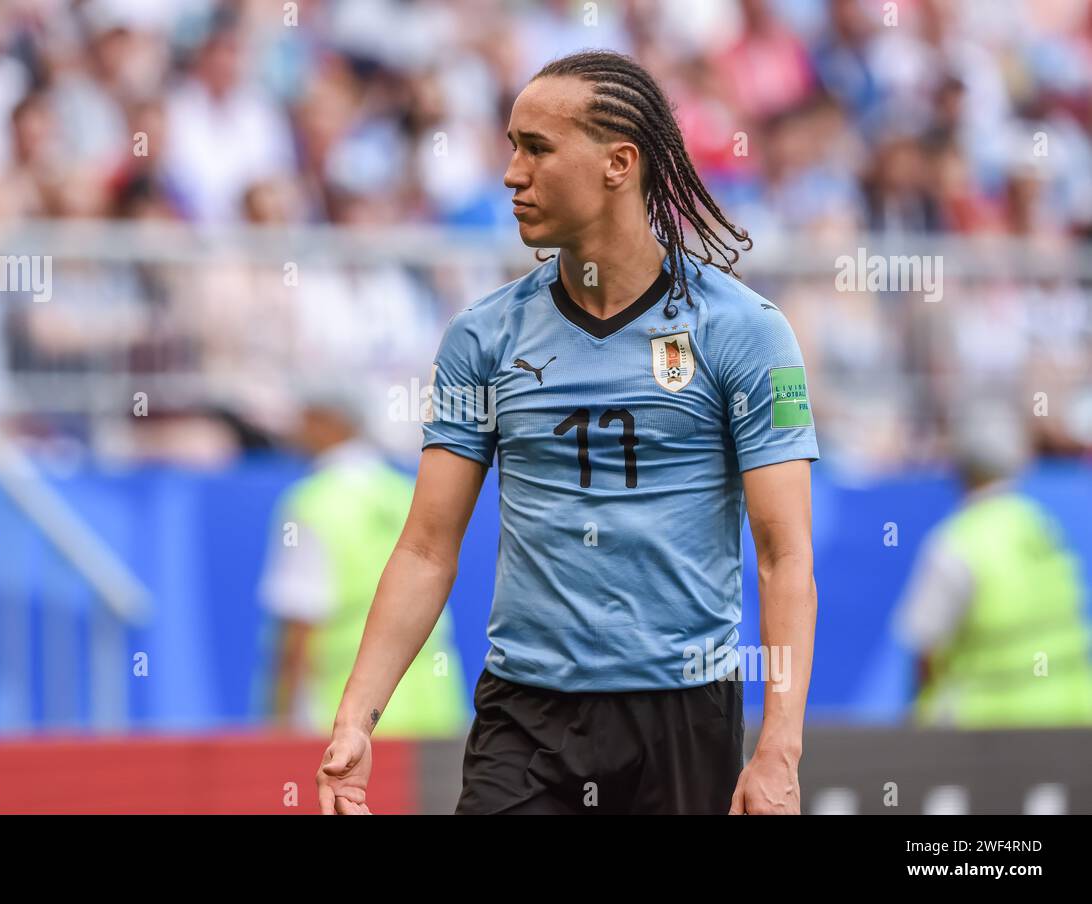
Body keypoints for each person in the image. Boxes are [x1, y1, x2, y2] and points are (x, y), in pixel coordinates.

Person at [315, 50, 820, 815]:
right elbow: (426, 546)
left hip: (682, 715)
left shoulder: (744, 333)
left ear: (619, 163)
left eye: (537, 148)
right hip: (527, 717)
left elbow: (785, 556)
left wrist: (779, 749)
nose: (512, 173)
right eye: (512, 146)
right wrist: (355, 717)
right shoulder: (481, 339)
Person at [259, 390, 468, 738]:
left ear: (328, 421)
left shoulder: (312, 504)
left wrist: (278, 725)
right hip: (434, 712)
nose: (295, 430)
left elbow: (299, 624)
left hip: (349, 724)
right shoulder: (405, 492)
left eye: (305, 416)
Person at [894, 404, 1092, 727]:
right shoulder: (1040, 526)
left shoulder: (958, 542)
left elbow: (925, 649)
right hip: (1072, 716)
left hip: (989, 730)